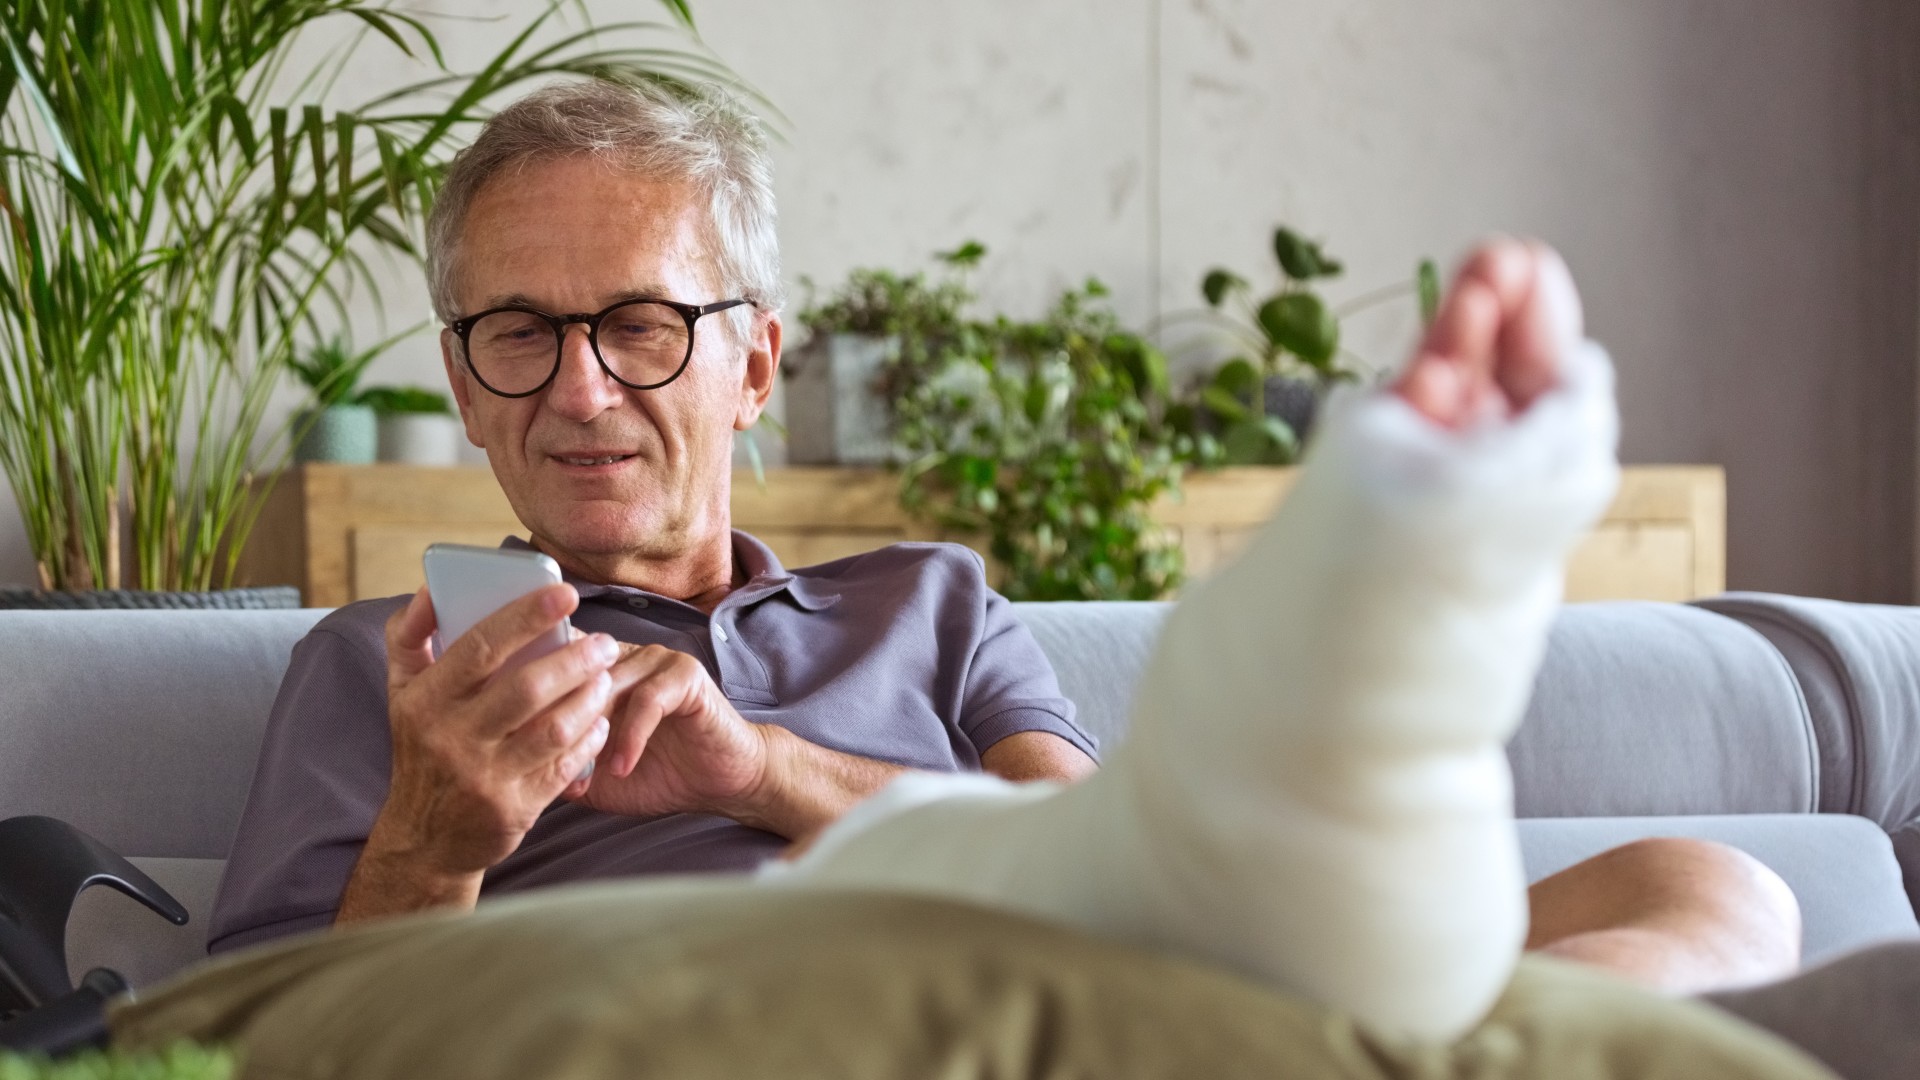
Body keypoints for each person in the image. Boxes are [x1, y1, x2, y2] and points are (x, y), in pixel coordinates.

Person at [209, 78, 1803, 1040]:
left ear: (755, 367)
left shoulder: (931, 600)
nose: (576, 389)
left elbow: (1111, 864)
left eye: (637, 325)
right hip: (707, 1030)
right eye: (517, 336)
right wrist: (433, 842)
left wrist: (754, 766)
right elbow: (251, 1047)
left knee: (1714, 886)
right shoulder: (381, 668)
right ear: (463, 388)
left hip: (1093, 1004)